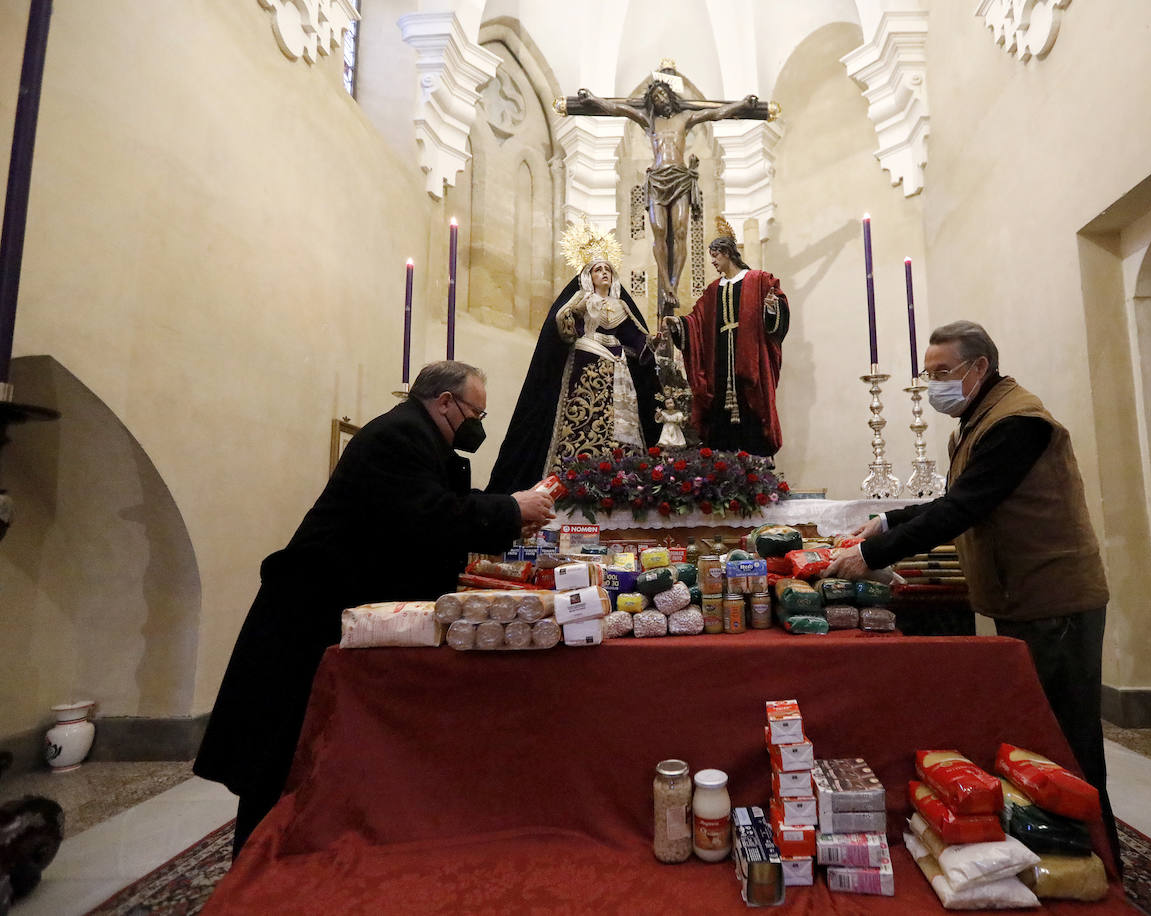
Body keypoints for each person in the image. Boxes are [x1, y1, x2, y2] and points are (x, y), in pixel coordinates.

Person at [194, 361, 555, 856]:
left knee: (316, 747)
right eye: (476, 412)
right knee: (283, 753)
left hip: (333, 608)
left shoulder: (420, 440)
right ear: (445, 402)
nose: (479, 426)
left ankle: (301, 848)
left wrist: (509, 515)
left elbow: (439, 507)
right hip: (307, 617)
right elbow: (430, 515)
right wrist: (512, 509)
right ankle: (262, 865)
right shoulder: (399, 436)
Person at [824, 320, 1120, 868]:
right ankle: (1055, 855)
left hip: (1054, 600)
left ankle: (1100, 860)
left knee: (1067, 739)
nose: (933, 384)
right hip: (1026, 597)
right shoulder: (983, 417)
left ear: (978, 367)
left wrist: (871, 557)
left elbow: (965, 508)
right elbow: (955, 497)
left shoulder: (1017, 423)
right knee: (1041, 735)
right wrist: (888, 522)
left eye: (942, 373)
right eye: (928, 373)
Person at [560, 70, 773, 313]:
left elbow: (715, 113)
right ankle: (666, 286)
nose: (660, 98)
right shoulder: (649, 121)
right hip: (658, 179)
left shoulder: (685, 118)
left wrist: (743, 104)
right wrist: (592, 101)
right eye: (655, 96)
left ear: (670, 96)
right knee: (659, 231)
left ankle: (673, 282)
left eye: (662, 93)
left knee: (680, 230)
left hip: (680, 178)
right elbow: (617, 110)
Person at [487, 257, 660, 494]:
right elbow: (563, 327)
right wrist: (572, 311)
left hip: (617, 367)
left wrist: (651, 343)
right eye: (598, 270)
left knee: (620, 419)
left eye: (607, 270)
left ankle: (623, 473)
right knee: (582, 415)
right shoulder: (582, 299)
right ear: (589, 277)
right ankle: (573, 472)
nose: (604, 273)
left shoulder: (621, 306)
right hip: (586, 358)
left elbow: (636, 337)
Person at [668, 229, 788, 456]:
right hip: (720, 362)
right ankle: (724, 466)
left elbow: (779, 312)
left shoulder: (760, 280)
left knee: (752, 404)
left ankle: (756, 463)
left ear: (727, 253)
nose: (712, 261)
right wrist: (678, 324)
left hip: (750, 359)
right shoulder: (714, 290)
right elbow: (697, 320)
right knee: (719, 406)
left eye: (715, 255)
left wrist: (772, 307)